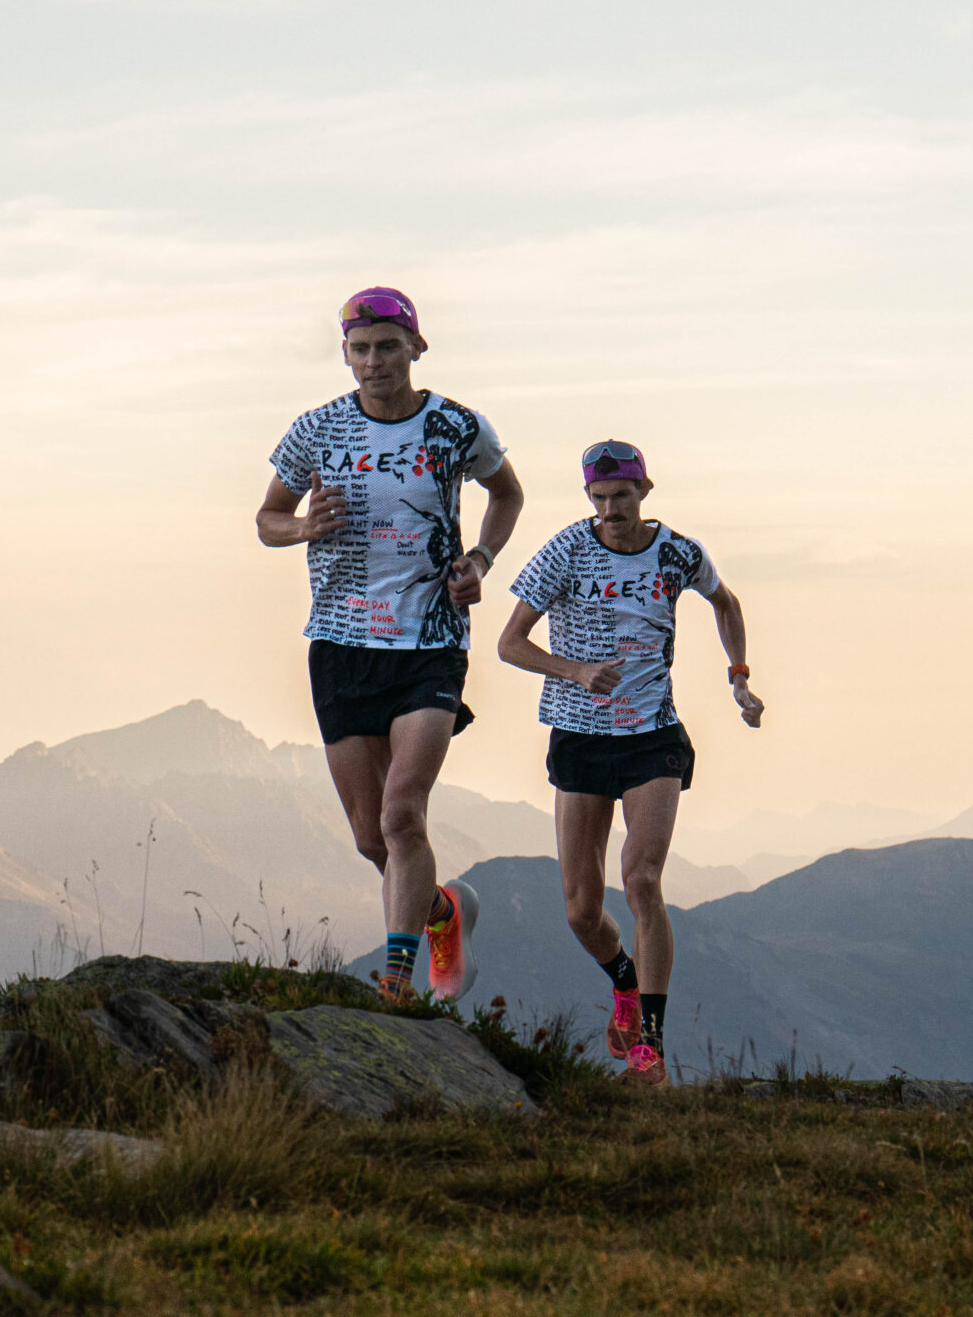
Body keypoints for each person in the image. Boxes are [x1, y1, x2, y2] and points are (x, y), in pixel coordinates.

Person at [256, 287, 524, 1003]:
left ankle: (398, 986)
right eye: (360, 349)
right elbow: (266, 519)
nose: (374, 362)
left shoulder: (454, 426)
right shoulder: (316, 431)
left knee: (404, 812)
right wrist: (305, 528)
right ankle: (443, 912)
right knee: (372, 838)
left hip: (430, 640)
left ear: (416, 347)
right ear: (346, 355)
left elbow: (507, 495)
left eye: (387, 346)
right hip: (341, 644)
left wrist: (481, 561)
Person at [496, 440, 764, 1087]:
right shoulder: (564, 551)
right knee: (581, 912)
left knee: (642, 880)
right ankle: (623, 979)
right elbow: (509, 643)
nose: (611, 509)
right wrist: (575, 670)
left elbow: (724, 602)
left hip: (653, 736)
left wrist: (739, 678)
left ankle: (650, 1047)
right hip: (580, 737)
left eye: (621, 497)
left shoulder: (677, 553)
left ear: (646, 491)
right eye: (599, 498)